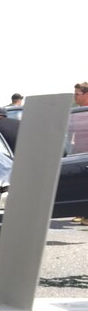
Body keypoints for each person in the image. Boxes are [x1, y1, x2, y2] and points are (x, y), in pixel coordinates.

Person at [71, 82, 88, 225]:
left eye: (77, 94)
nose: (74, 96)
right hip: (78, 153)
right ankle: (81, 212)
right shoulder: (76, 111)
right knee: (80, 183)